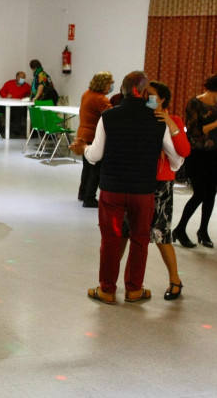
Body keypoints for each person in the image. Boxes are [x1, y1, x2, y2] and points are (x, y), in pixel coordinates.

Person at [70, 71, 183, 305]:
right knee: (140, 239)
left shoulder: (109, 117)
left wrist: (84, 151)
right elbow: (176, 158)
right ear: (143, 92)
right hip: (143, 191)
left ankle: (107, 290)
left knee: (110, 239)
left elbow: (96, 154)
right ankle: (134, 289)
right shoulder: (157, 119)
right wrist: (171, 164)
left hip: (112, 190)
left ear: (122, 90)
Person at [144, 81, 191, 299]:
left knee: (161, 234)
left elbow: (184, 150)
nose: (147, 98)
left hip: (161, 183)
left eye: (152, 95)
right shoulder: (141, 117)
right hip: (138, 180)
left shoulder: (176, 121)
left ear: (162, 99)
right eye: (145, 94)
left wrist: (170, 123)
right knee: (128, 231)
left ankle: (175, 280)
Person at [172, 74, 217, 248]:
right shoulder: (195, 103)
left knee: (211, 193)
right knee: (200, 192)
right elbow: (194, 131)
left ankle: (203, 231)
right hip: (198, 154)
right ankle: (180, 228)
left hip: (214, 154)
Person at [76, 72, 114, 208]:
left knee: (86, 167)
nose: (111, 86)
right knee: (96, 169)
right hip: (93, 136)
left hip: (82, 133)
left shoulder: (86, 94)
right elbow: (111, 117)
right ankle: (89, 197)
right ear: (104, 84)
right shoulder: (101, 100)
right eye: (110, 83)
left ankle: (82, 192)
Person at [0, 71, 32, 137]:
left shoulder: (27, 86)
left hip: (18, 106)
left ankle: (16, 130)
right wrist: (6, 96)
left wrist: (27, 98)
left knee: (19, 111)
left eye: (24, 78)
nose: (23, 79)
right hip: (6, 104)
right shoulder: (9, 83)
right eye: (21, 78)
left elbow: (30, 94)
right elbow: (1, 91)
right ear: (17, 77)